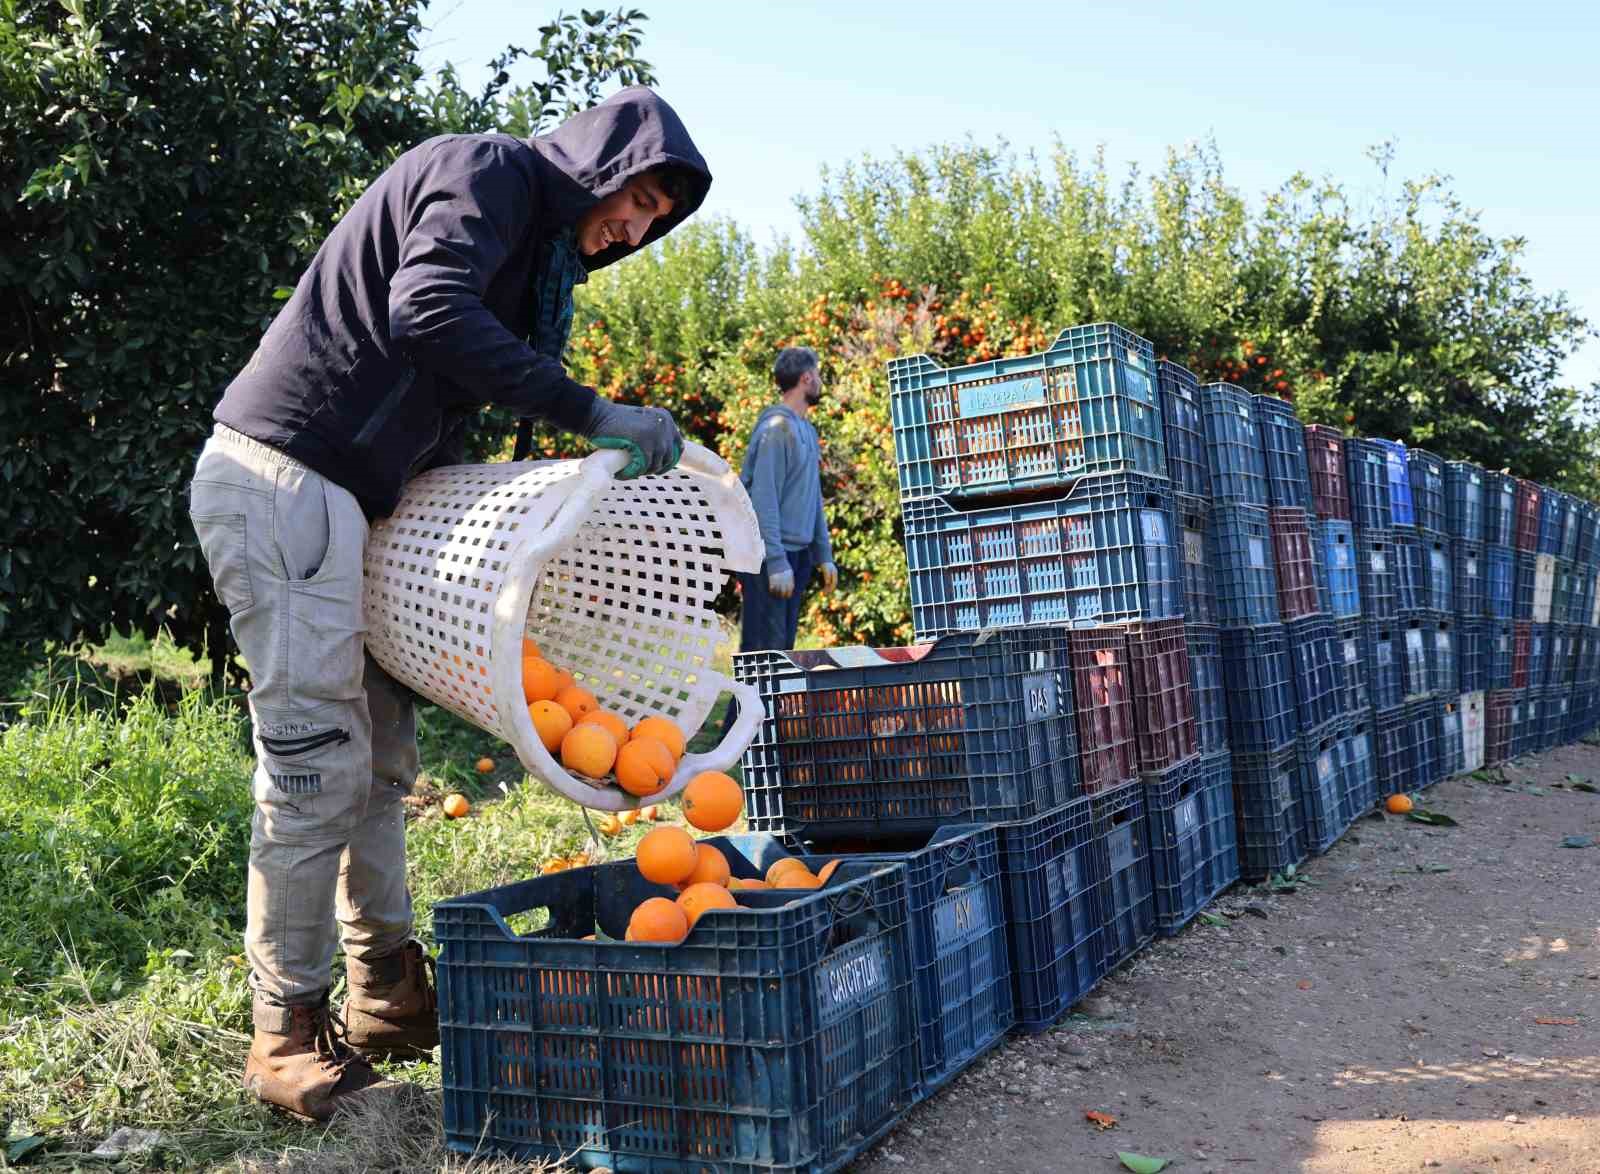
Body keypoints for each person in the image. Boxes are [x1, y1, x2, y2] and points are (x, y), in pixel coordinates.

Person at [186, 87, 711, 1122]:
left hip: (349, 502)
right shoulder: (491, 173)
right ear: (597, 162)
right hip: (283, 478)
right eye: (636, 197)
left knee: (378, 764)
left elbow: (444, 393)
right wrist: (587, 409)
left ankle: (386, 989)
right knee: (311, 767)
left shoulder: (531, 252)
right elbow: (423, 310)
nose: (636, 226)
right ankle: (284, 1034)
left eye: (657, 217)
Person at [733, 346, 837, 656]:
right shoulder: (776, 430)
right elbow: (764, 499)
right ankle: (743, 708)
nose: (819, 380)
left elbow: (811, 496)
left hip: (797, 556)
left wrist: (823, 554)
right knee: (763, 655)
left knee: (782, 653)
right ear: (806, 378)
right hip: (769, 560)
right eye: (817, 374)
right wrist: (776, 562)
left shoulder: (805, 428)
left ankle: (768, 707)